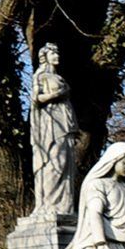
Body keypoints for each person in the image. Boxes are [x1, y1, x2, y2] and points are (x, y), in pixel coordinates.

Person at [31, 43, 78, 218]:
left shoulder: (57, 76)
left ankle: (63, 205)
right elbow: (36, 99)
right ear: (44, 56)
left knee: (66, 164)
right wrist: (56, 95)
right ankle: (49, 203)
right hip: (51, 123)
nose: (57, 55)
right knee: (55, 161)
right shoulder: (40, 76)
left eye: (58, 52)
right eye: (53, 53)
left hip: (64, 121)